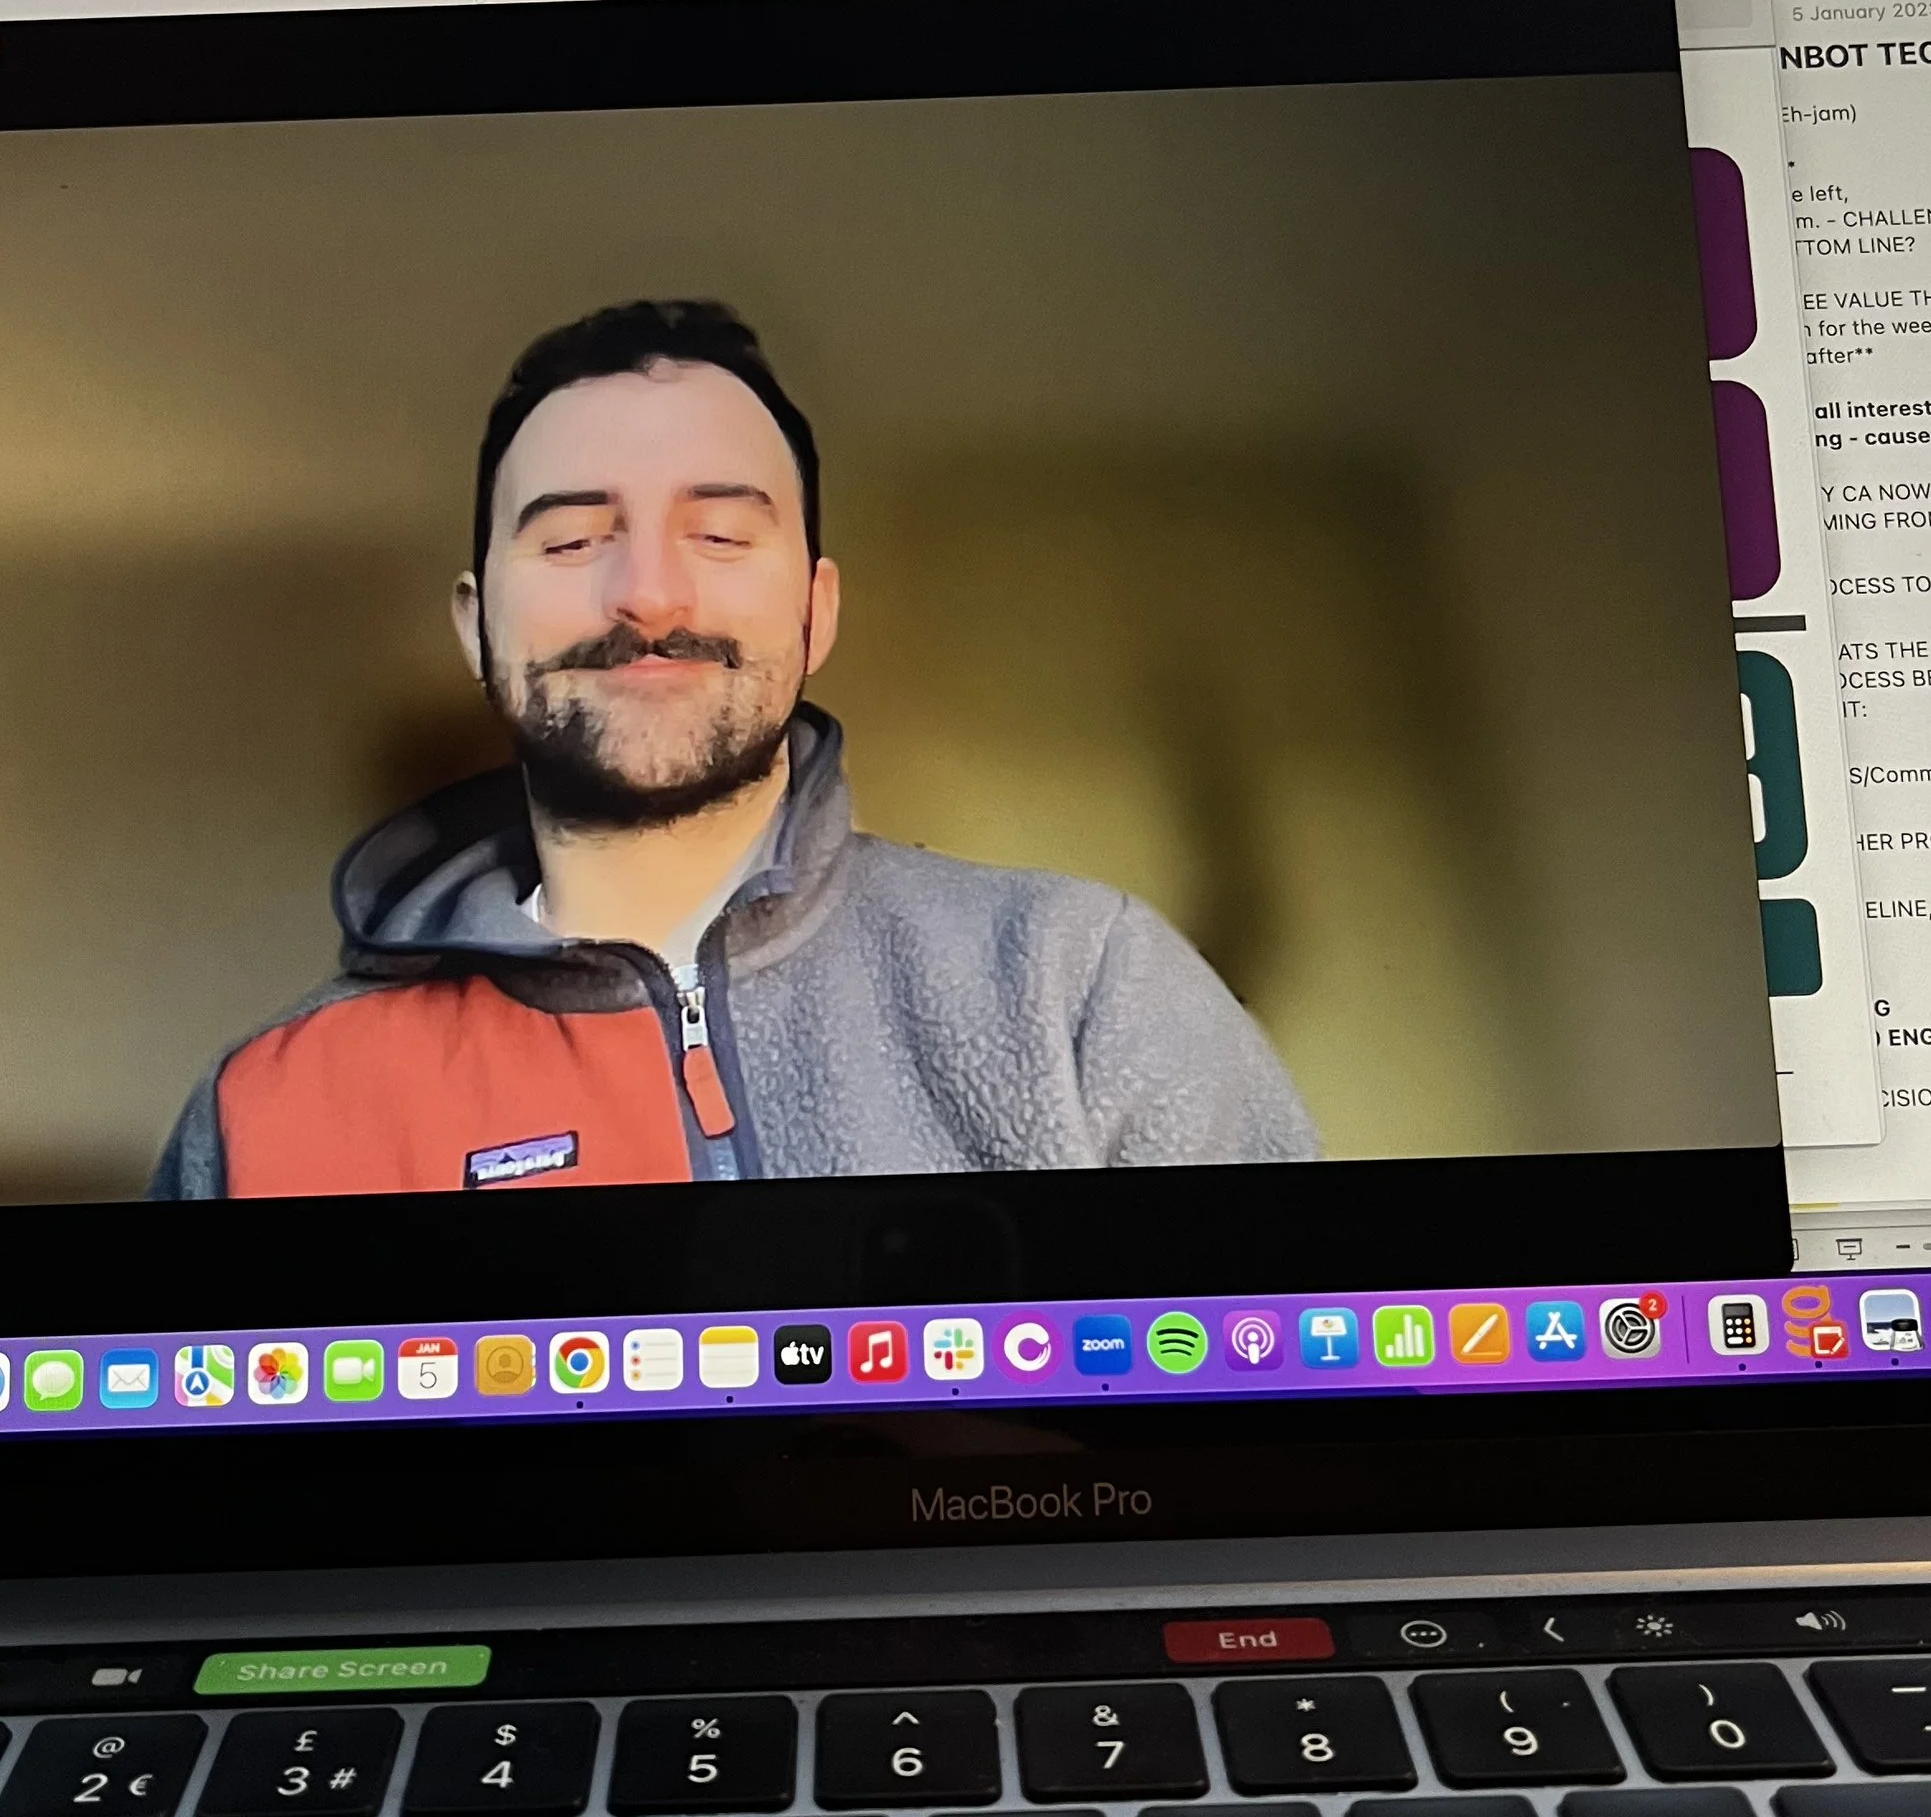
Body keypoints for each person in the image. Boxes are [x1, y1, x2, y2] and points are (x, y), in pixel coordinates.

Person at [151, 299, 1319, 1195]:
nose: (649, 593)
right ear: (477, 626)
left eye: (717, 533)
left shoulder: (1080, 986)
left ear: (816, 611)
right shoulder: (260, 1114)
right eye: (571, 540)